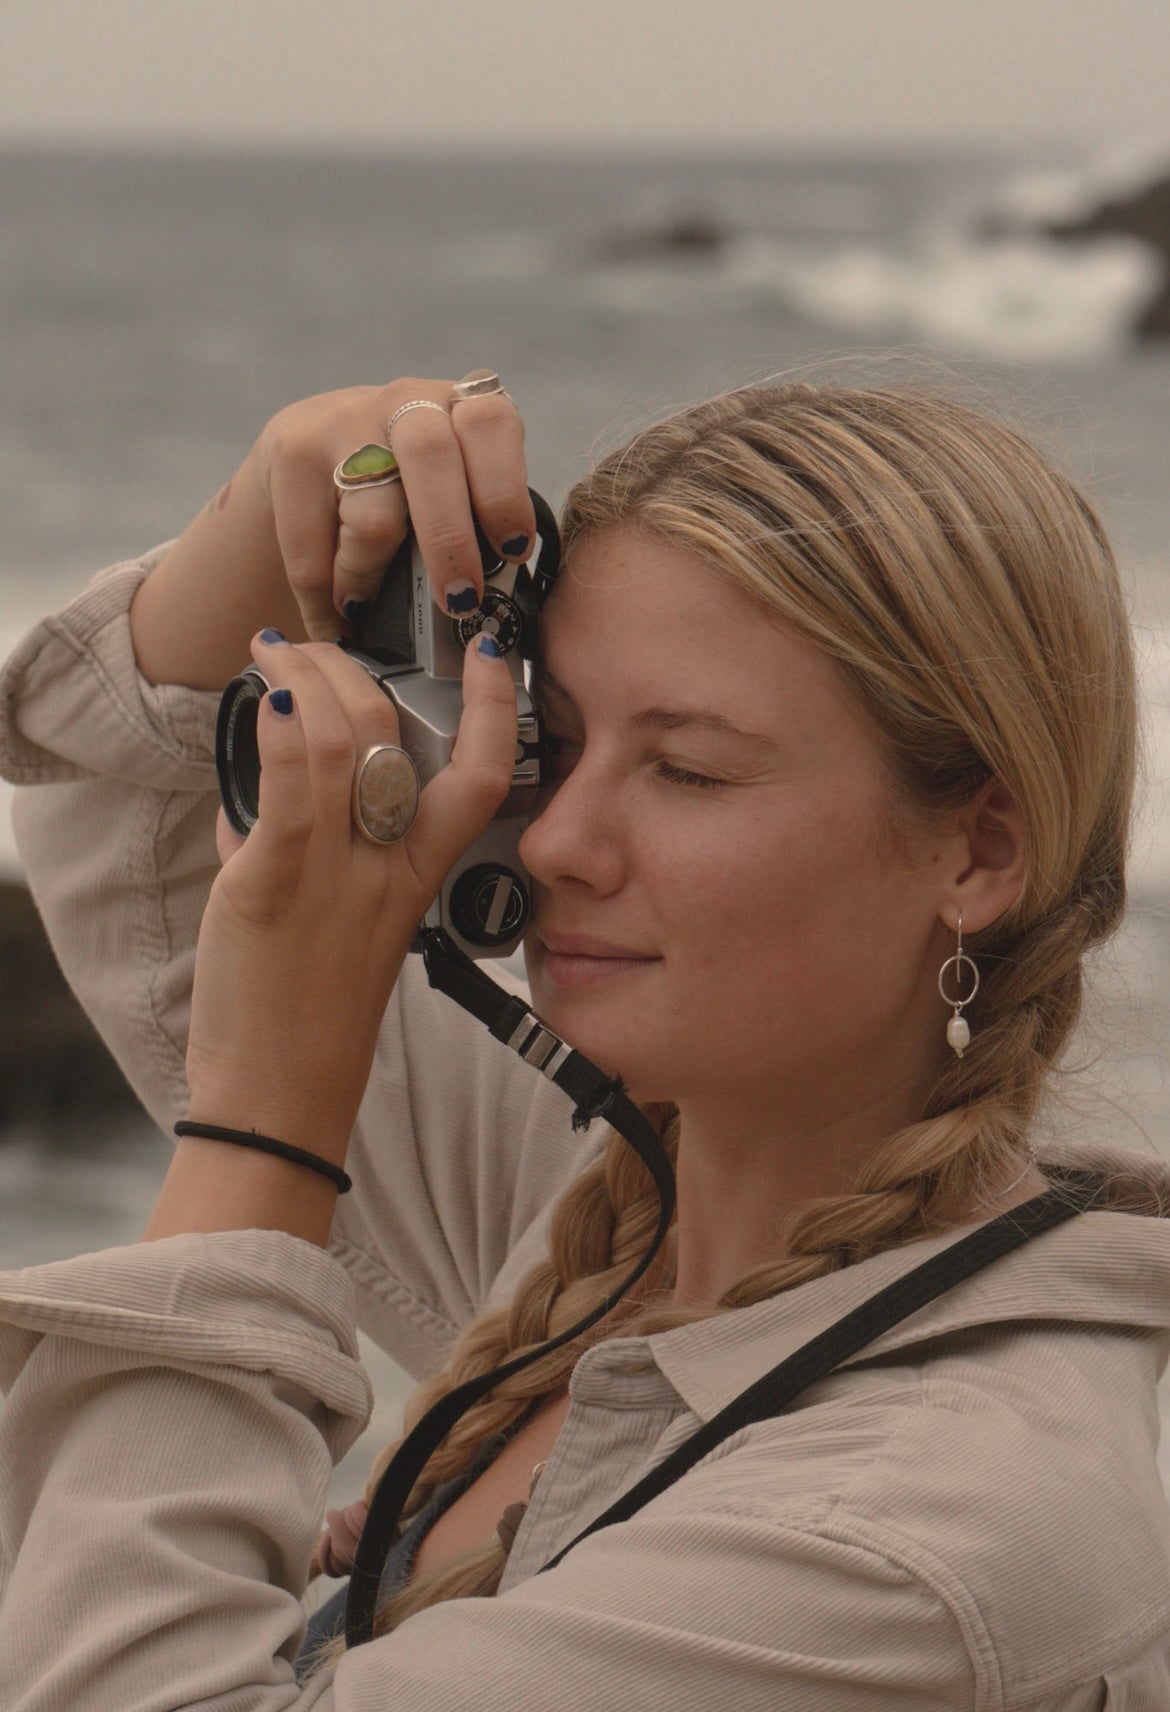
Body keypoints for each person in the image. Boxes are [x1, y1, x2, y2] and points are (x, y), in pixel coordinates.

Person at [0, 369, 1168, 1710]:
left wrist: (265, 1124)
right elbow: (120, 805)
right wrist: (280, 513)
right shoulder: (623, 1203)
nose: (552, 838)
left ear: (980, 848)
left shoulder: (905, 1546)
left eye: (686, 769)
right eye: (553, 739)